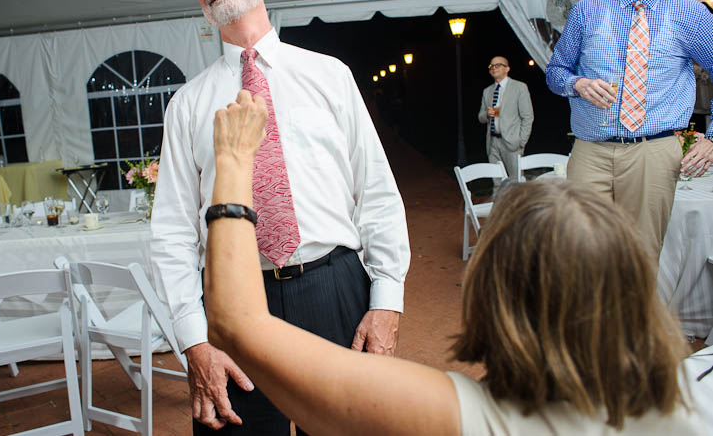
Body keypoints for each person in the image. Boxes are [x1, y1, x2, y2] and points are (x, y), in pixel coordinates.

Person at [204, 89, 706, 435]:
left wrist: (233, 158)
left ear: (489, 296)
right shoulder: (694, 403)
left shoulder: (460, 417)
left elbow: (237, 321)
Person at [151, 0, 410, 434]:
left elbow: (375, 190)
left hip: (334, 288)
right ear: (202, 3)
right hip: (233, 304)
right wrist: (194, 340)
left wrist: (386, 302)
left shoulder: (329, 74)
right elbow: (171, 231)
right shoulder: (187, 104)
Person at [546, 0, 713, 259]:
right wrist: (576, 84)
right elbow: (555, 72)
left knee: (639, 256)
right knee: (581, 250)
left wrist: (712, 137)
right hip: (590, 151)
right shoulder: (587, 11)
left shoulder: (691, 15)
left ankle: (633, 314)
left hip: (654, 151)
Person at [477, 56, 534, 177]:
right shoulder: (487, 91)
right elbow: (481, 118)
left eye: (498, 65)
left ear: (507, 69)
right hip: (493, 143)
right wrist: (487, 114)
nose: (494, 68)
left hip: (512, 143)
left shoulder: (519, 87)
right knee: (498, 182)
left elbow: (528, 117)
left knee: (516, 182)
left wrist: (521, 142)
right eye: (491, 66)